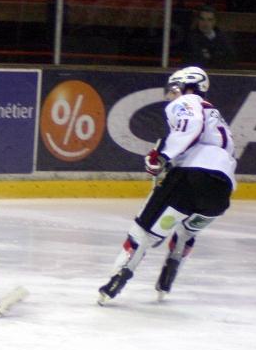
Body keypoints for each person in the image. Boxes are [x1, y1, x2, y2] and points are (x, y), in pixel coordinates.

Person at [98, 66, 237, 305]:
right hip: (220, 192)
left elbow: (189, 127)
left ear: (188, 87)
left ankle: (117, 278)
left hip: (189, 179)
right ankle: (169, 275)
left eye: (174, 89)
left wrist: (161, 156)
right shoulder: (216, 117)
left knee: (144, 232)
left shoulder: (188, 101)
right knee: (186, 231)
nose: (171, 96)